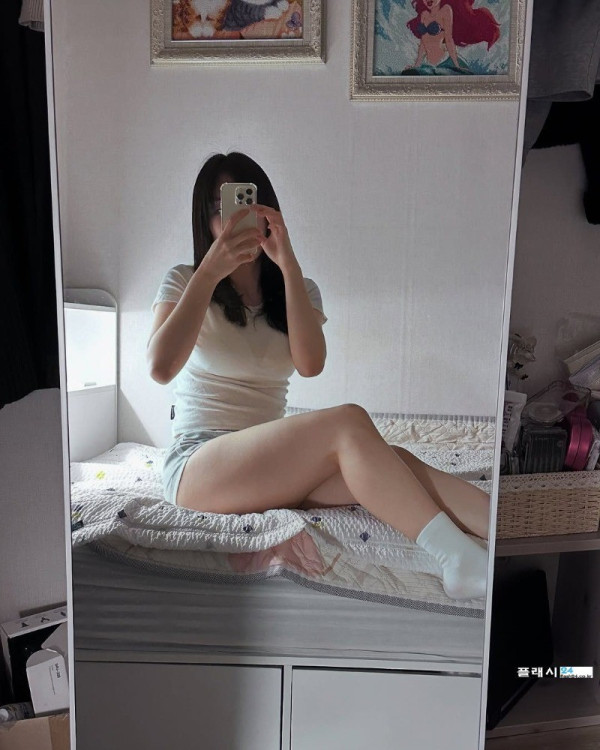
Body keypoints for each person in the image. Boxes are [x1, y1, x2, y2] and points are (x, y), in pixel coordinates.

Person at [147, 151, 490, 600]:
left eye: (242, 203)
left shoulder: (299, 288)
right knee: (348, 422)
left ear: (267, 211)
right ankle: (455, 557)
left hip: (271, 467)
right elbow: (160, 368)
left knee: (394, 463)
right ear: (203, 220)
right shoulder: (185, 280)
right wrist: (210, 271)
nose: (229, 219)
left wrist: (287, 263)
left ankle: (506, 535)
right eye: (218, 207)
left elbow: (311, 365)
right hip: (199, 467)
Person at [403, 0, 500, 75]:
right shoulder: (424, 14)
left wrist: (456, 65)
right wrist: (417, 64)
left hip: (444, 62)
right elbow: (423, 42)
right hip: (427, 62)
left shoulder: (446, 10)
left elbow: (449, 39)